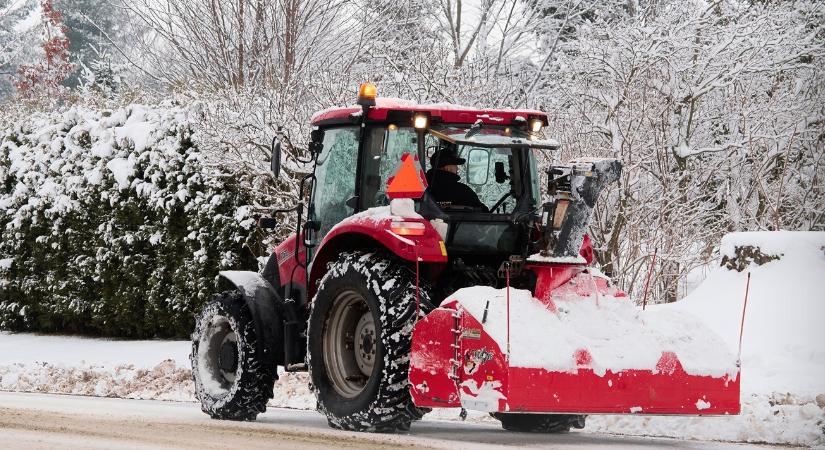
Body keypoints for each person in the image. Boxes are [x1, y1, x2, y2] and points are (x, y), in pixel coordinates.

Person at [426, 142, 489, 211]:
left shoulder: (424, 189)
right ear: (447, 168)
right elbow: (484, 212)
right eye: (455, 165)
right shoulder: (463, 191)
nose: (457, 168)